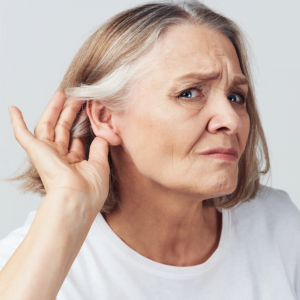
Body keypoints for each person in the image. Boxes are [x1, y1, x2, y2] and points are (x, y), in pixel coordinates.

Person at [0, 1, 299, 299]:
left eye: (235, 97)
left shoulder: (278, 226)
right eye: (189, 93)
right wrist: (67, 204)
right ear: (106, 118)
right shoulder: (34, 262)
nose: (231, 120)